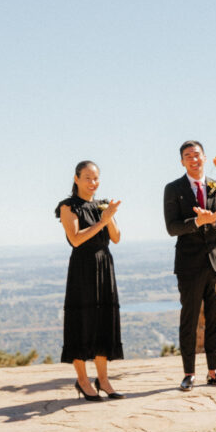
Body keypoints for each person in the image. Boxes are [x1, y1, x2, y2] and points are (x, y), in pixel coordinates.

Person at [163, 140, 216, 391]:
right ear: (182, 161)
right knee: (190, 318)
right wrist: (196, 221)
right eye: (187, 156)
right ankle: (189, 373)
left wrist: (213, 221)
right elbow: (172, 227)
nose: (193, 159)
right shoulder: (173, 188)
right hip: (189, 264)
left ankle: (213, 371)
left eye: (197, 155)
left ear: (205, 158)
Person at [55, 161, 124, 401]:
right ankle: (83, 380)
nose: (92, 183)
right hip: (82, 268)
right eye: (87, 178)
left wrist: (109, 217)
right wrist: (103, 220)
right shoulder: (68, 207)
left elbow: (116, 238)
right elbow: (75, 239)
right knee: (81, 321)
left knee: (104, 321)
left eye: (96, 178)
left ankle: (103, 380)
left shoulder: (102, 205)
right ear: (76, 179)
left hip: (105, 264)